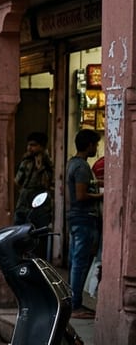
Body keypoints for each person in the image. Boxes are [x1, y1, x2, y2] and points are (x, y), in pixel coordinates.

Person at [67, 129, 103, 319]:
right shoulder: (81, 167)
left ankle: (73, 301)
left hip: (76, 217)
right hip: (83, 216)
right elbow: (81, 195)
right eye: (95, 144)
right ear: (89, 145)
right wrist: (101, 195)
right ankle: (75, 304)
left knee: (76, 260)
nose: (96, 148)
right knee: (80, 262)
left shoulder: (73, 163)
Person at [13, 132, 53, 225]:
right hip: (23, 203)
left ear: (42, 147)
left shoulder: (48, 163)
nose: (29, 148)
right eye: (29, 145)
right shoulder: (26, 162)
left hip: (40, 203)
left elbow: (48, 183)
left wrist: (41, 168)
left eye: (33, 145)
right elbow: (17, 181)